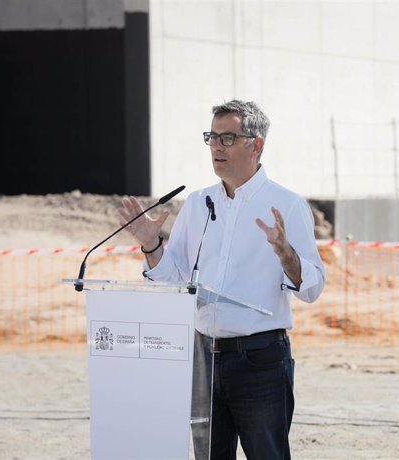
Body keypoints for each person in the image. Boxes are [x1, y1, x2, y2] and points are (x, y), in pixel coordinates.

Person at [117, 100, 325, 459]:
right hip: (202, 358)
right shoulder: (198, 204)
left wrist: (285, 253)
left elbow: (312, 287)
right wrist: (151, 243)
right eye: (212, 137)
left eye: (227, 138)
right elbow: (173, 280)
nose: (216, 146)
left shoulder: (286, 205)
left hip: (260, 360)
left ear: (256, 145)